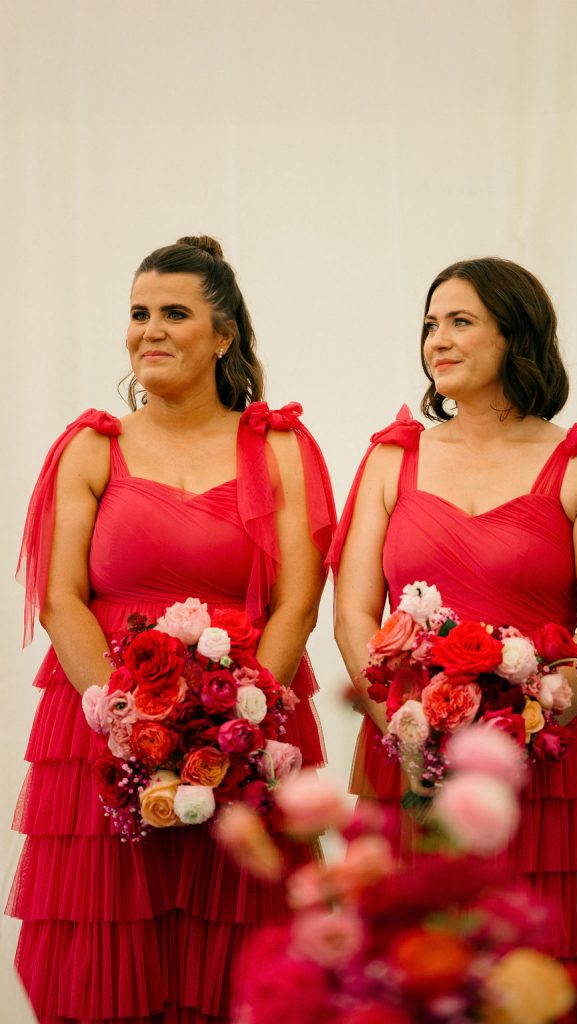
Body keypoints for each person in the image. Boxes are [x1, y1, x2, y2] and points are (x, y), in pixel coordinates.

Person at [7, 235, 336, 1024]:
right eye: (138, 313)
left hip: (243, 725)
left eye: (174, 313)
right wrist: (130, 723)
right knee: (108, 951)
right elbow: (60, 599)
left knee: (247, 946)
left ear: (224, 336)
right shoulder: (93, 446)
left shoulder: (280, 445)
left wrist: (236, 720)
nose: (149, 330)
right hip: (101, 725)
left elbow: (297, 603)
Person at [330, 257, 577, 1024]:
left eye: (460, 322)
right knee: (411, 969)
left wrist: (521, 731)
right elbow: (351, 617)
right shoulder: (391, 457)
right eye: (429, 325)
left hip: (543, 761)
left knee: (535, 975)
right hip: (408, 754)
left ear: (516, 335)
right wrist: (409, 738)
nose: (436, 341)